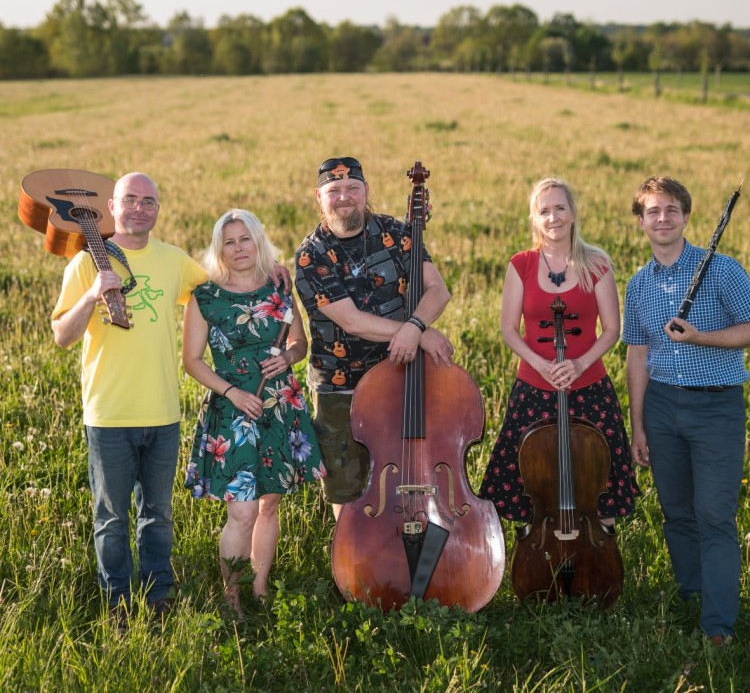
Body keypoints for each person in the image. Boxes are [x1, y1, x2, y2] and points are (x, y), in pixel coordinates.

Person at [51, 172, 208, 627]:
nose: (140, 208)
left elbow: (216, 290)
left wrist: (266, 269)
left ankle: (159, 596)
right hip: (109, 412)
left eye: (149, 201)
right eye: (131, 200)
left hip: (163, 413)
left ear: (157, 209)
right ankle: (116, 602)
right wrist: (93, 296)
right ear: (112, 208)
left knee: (158, 514)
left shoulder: (173, 261)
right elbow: (63, 335)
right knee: (111, 518)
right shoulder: (84, 264)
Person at [622, 175, 750, 645]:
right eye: (653, 211)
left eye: (671, 210)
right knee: (677, 513)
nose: (663, 218)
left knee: (714, 515)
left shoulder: (721, 269)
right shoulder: (638, 284)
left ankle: (718, 626)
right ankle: (693, 596)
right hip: (661, 407)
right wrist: (638, 424)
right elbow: (637, 354)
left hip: (717, 406)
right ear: (641, 222)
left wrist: (699, 336)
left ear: (687, 217)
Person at [294, 156, 455, 519]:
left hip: (399, 375)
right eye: (334, 191)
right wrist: (417, 331)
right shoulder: (310, 255)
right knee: (346, 487)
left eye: (352, 188)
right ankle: (352, 567)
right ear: (318, 197)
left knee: (403, 474)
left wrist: (415, 328)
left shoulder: (396, 233)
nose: (344, 197)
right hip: (339, 386)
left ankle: (403, 553)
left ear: (366, 192)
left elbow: (438, 290)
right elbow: (351, 321)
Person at [183, 209, 325, 614]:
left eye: (245, 239)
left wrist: (289, 359)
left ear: (258, 241)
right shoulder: (205, 297)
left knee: (270, 503)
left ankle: (260, 590)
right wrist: (230, 392)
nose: (238, 248)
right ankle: (232, 599)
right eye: (229, 241)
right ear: (219, 248)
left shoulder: (279, 288)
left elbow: (300, 342)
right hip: (233, 410)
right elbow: (192, 361)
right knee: (242, 510)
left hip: (279, 405)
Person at [480, 177, 639, 528]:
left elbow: (612, 330)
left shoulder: (597, 264)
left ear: (573, 213)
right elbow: (509, 329)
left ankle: (600, 563)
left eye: (560, 208)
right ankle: (534, 560)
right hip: (534, 387)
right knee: (527, 484)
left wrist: (580, 364)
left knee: (599, 483)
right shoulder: (520, 264)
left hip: (590, 388)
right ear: (535, 219)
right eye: (544, 211)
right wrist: (542, 365)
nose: (553, 217)